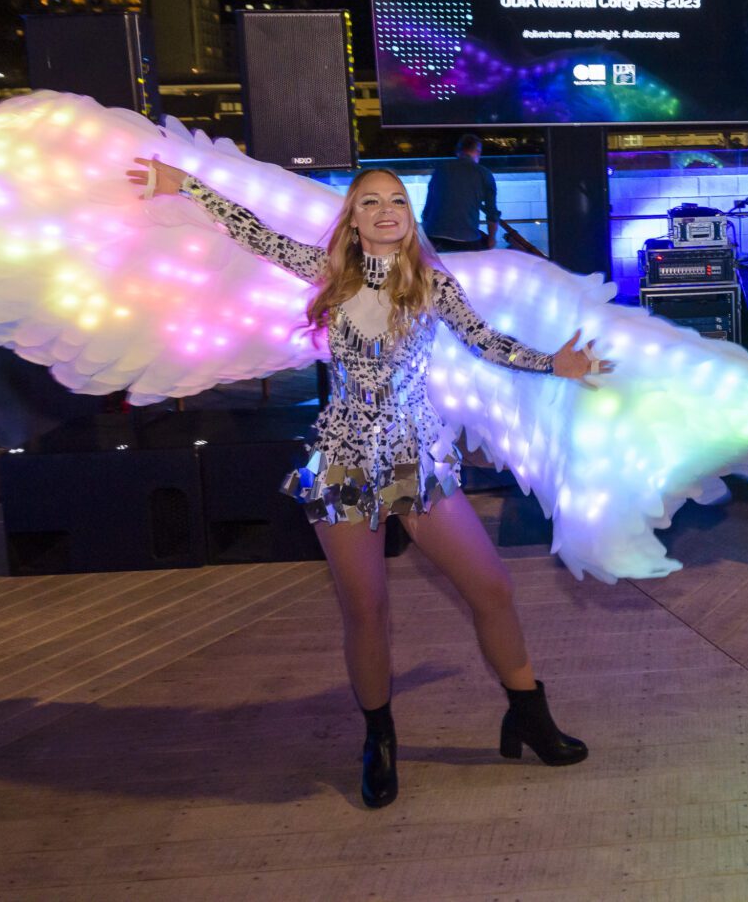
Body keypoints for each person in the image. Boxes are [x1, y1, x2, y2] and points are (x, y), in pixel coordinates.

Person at [128, 157, 613, 808]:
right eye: (371, 202)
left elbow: (486, 341)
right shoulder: (331, 273)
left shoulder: (432, 283)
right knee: (367, 609)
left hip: (416, 461)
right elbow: (253, 230)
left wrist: (553, 363)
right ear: (353, 221)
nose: (387, 210)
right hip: (345, 463)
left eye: (397, 201)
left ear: (410, 218)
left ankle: (527, 714)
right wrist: (186, 184)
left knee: (492, 587)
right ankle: (378, 739)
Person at [423, 134, 499, 252]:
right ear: (478, 152)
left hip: (434, 237)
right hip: (466, 240)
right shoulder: (484, 173)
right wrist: (492, 239)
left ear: (458, 151)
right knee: (483, 242)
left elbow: (427, 208)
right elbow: (492, 212)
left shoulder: (441, 169)